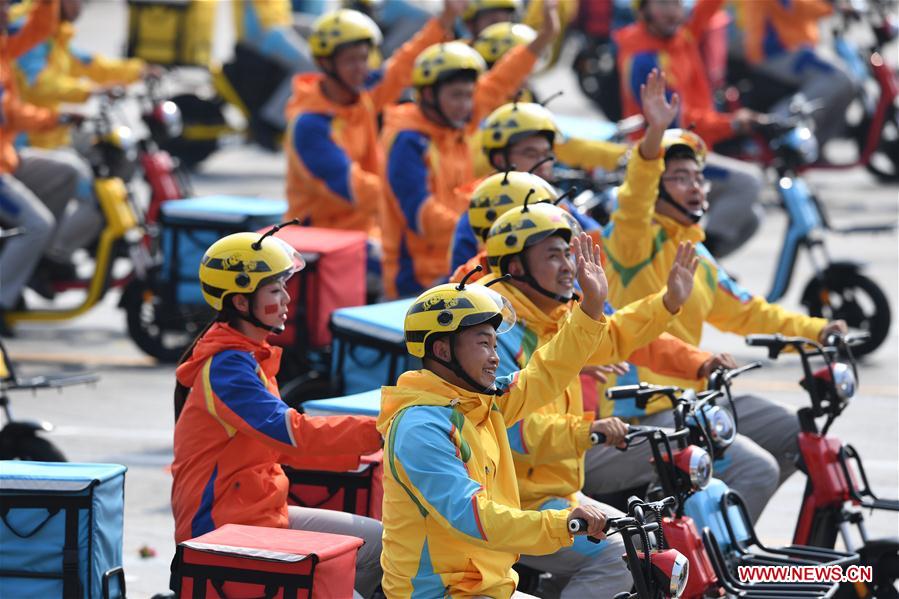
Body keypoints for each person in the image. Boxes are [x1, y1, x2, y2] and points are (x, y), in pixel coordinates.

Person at [602, 68, 849, 521]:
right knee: (755, 468)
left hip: (694, 398)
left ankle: (721, 539)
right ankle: (709, 558)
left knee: (795, 435)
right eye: (680, 178)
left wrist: (819, 330)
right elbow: (633, 199)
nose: (695, 187)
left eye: (698, 177)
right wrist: (654, 135)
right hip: (645, 408)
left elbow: (748, 312)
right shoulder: (632, 242)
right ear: (657, 187)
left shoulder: (695, 250)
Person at [479, 198, 706, 596]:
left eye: (568, 254)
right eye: (553, 256)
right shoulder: (498, 335)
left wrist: (667, 301)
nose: (569, 266)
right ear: (516, 267)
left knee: (648, 539)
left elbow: (613, 336)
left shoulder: (553, 318)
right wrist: (589, 430)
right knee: (625, 555)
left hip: (558, 491)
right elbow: (514, 432)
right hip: (517, 505)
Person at [378, 231, 621, 598]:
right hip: (444, 592)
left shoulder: (481, 403)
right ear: (442, 350)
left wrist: (591, 309)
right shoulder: (420, 427)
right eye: (483, 344)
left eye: (495, 345)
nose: (495, 357)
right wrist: (562, 524)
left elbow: (545, 372)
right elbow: (472, 515)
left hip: (488, 586)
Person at [170, 229, 384, 598]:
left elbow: (279, 446)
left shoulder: (247, 356)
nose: (287, 298)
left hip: (259, 512)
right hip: (225, 528)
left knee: (381, 544)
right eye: (275, 290)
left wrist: (370, 452)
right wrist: (382, 429)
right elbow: (291, 432)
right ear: (241, 302)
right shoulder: (227, 369)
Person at [379, 1, 560, 299]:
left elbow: (500, 81)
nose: (465, 104)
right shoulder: (408, 141)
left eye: (468, 95)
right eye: (456, 96)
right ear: (428, 94)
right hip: (416, 278)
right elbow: (421, 216)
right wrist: (484, 231)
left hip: (458, 259)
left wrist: (544, 37)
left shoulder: (454, 121)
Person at [283, 3, 459, 236]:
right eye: (350, 61)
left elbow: (402, 66)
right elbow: (351, 185)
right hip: (320, 237)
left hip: (365, 229)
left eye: (364, 58)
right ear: (325, 63)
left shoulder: (360, 95)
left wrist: (445, 20)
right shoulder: (309, 124)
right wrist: (413, 200)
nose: (361, 68)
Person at [615, 0, 766, 258]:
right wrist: (731, 123)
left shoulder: (679, 35)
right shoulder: (644, 58)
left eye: (676, 4)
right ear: (643, 10)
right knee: (748, 182)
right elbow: (676, 122)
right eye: (663, 4)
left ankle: (701, 266)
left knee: (751, 216)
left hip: (689, 147)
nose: (672, 12)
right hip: (661, 158)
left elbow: (708, 8)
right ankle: (700, 264)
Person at [12, 0, 149, 279]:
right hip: (27, 140)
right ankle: (52, 258)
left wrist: (138, 71)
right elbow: (36, 83)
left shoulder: (56, 32)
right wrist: (88, 92)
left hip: (50, 132)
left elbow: (88, 63)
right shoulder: (25, 27)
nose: (81, 6)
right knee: (95, 192)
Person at [452, 100, 627, 271]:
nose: (543, 163)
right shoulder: (479, 212)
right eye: (531, 154)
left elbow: (601, 242)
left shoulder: (555, 201)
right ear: (500, 159)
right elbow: (464, 281)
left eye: (547, 154)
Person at [0, 0, 80, 327]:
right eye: (1, 6)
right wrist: (55, 118)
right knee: (38, 225)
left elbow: (39, 29)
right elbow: (11, 113)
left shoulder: (3, 46)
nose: (7, 12)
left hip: (7, 157)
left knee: (67, 172)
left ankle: (34, 262)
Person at [733, 0, 856, 146]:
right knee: (838, 78)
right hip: (773, 50)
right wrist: (831, 6)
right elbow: (792, 5)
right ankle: (778, 125)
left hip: (796, 46)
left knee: (846, 74)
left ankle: (815, 143)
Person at [231, 0, 317, 137]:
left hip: (280, 23)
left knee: (322, 28)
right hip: (263, 32)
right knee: (312, 65)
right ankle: (274, 120)